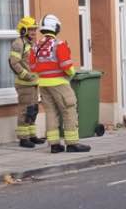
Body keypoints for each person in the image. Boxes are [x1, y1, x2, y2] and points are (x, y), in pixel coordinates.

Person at [29, 14, 91, 153]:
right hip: (59, 84)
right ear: (55, 27)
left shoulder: (35, 47)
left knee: (51, 113)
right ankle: (72, 143)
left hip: (43, 85)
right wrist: (71, 73)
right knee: (69, 111)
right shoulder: (59, 44)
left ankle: (54, 145)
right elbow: (66, 65)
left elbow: (32, 67)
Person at [10, 16, 45, 148]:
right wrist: (27, 75)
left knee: (33, 110)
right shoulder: (18, 43)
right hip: (24, 84)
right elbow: (14, 63)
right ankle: (23, 139)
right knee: (25, 110)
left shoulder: (30, 44)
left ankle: (32, 135)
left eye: (34, 30)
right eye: (30, 30)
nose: (33, 32)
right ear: (23, 30)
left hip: (34, 83)